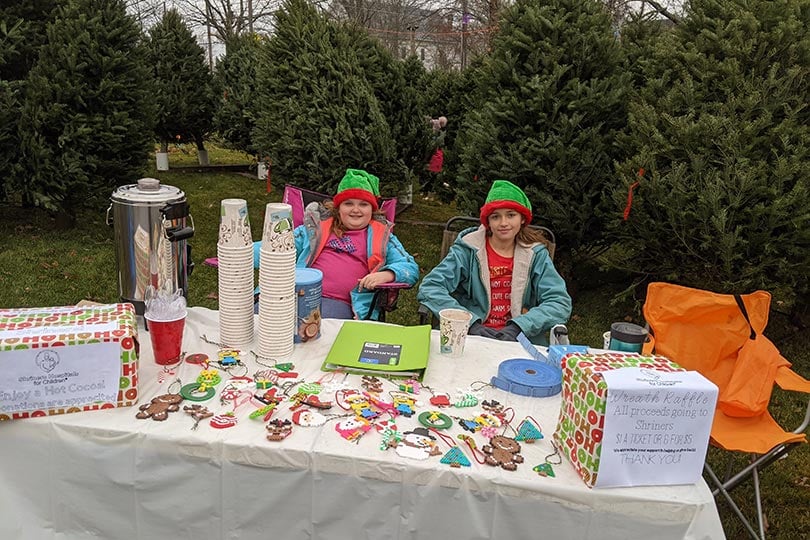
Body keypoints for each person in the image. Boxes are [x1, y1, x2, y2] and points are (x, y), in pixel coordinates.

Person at [417, 180, 571, 345]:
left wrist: (519, 326)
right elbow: (431, 287)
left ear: (522, 219)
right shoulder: (468, 249)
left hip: (521, 339)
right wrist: (469, 323)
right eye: (495, 216)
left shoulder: (536, 255)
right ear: (488, 222)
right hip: (470, 337)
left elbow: (559, 301)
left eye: (511, 215)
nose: (503, 223)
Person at [292, 169, 419, 320]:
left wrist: (388, 274)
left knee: (314, 327)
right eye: (348, 203)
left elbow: (410, 268)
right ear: (338, 208)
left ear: (372, 210)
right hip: (296, 293)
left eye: (364, 204)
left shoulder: (382, 237)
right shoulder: (315, 228)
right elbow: (278, 247)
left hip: (338, 302)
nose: (356, 210)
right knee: (271, 319)